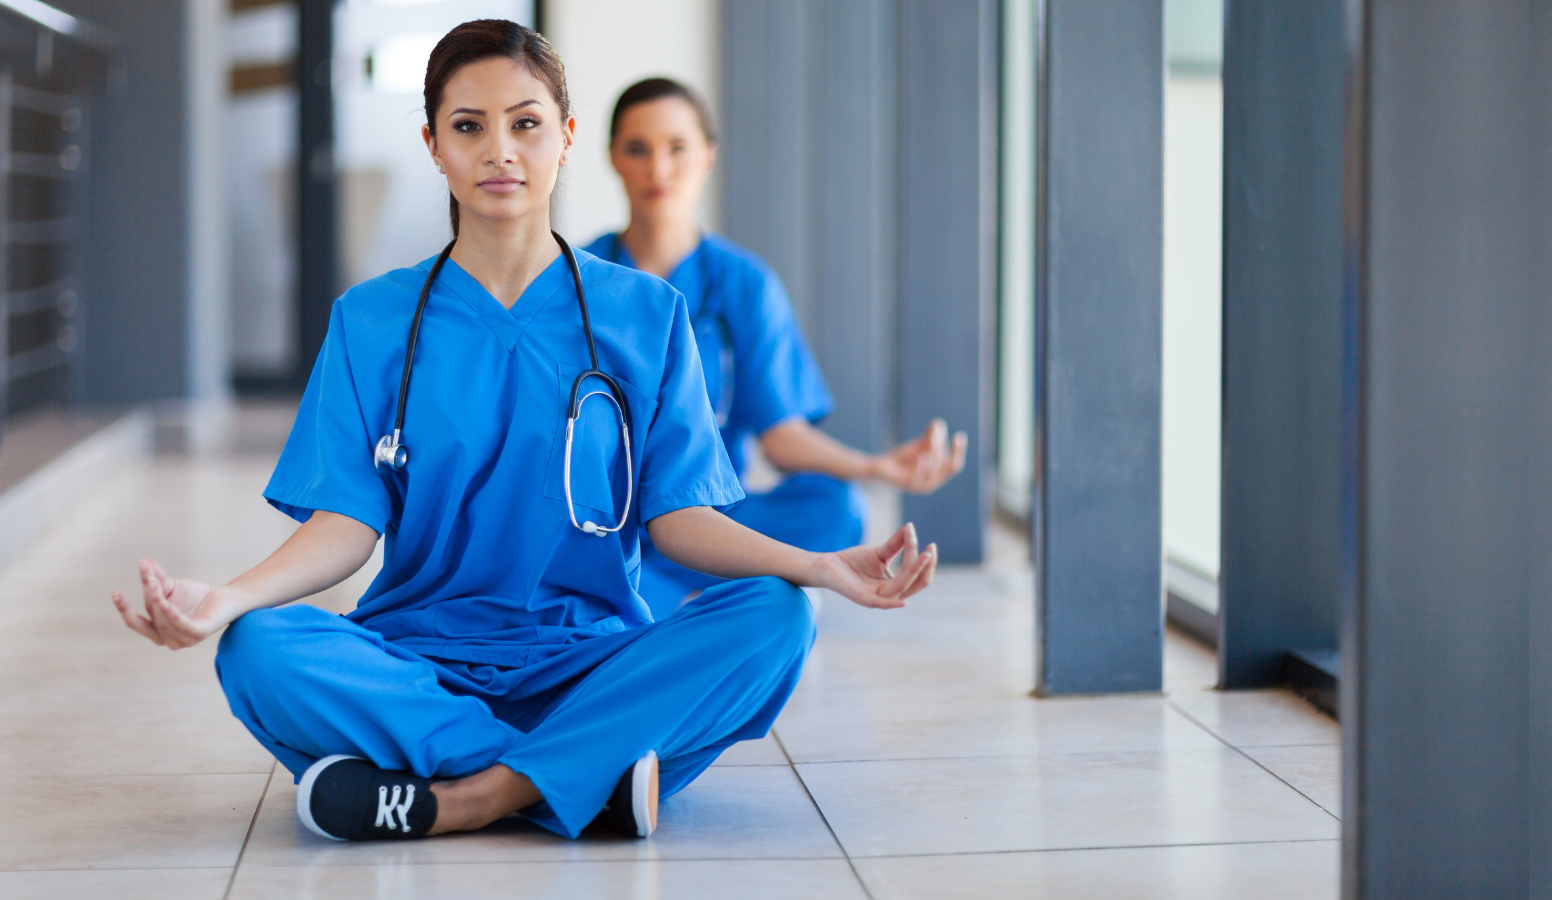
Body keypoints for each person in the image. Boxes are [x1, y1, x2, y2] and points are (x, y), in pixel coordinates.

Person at [109, 20, 937, 844]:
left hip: (589, 660)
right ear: (434, 145)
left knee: (775, 618)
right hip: (421, 661)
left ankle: (461, 795)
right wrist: (225, 599)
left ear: (567, 138)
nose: (500, 149)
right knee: (258, 647)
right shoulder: (370, 322)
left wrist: (822, 568)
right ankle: (586, 778)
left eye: (526, 123)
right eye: (468, 126)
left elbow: (680, 518)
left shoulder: (647, 317)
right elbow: (345, 526)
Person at [586, 78, 967, 619]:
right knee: (595, 595)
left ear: (708, 156)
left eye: (677, 148)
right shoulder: (580, 281)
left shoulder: (744, 282)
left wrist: (879, 467)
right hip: (610, 520)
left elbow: (781, 437)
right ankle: (716, 577)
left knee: (835, 509)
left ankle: (695, 570)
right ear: (613, 158)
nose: (659, 169)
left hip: (714, 516)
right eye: (637, 149)